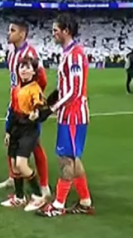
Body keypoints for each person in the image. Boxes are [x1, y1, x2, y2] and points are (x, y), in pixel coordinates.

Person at [39, 13, 94, 217]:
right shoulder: (68, 53)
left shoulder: (75, 55)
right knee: (72, 158)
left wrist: (50, 110)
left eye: (55, 30)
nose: (53, 33)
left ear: (66, 31)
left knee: (65, 160)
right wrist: (50, 100)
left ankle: (58, 205)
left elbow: (75, 91)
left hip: (73, 116)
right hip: (68, 114)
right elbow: (65, 88)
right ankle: (85, 201)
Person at [0, 20, 53, 208]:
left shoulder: (31, 54)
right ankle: (14, 178)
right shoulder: (12, 53)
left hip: (28, 104)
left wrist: (31, 99)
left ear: (22, 34)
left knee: (34, 145)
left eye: (12, 30)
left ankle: (43, 186)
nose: (8, 33)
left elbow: (42, 79)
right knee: (12, 138)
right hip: (15, 100)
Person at [1, 57, 48, 209]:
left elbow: (40, 106)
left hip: (29, 129)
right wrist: (8, 132)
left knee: (21, 164)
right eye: (21, 67)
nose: (24, 70)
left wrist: (36, 113)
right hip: (16, 128)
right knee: (14, 166)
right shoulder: (16, 89)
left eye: (28, 67)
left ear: (34, 71)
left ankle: (38, 195)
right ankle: (19, 196)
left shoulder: (35, 88)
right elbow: (13, 112)